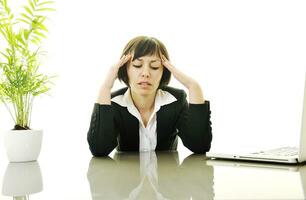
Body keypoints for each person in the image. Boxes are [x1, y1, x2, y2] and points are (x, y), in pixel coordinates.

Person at [87, 36, 212, 156]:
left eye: (154, 66)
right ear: (125, 69)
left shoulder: (176, 100)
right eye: (137, 65)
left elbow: (199, 146)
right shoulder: (114, 102)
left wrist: (193, 86)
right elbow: (99, 150)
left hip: (167, 176)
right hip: (126, 176)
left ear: (164, 70)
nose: (146, 73)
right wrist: (105, 88)